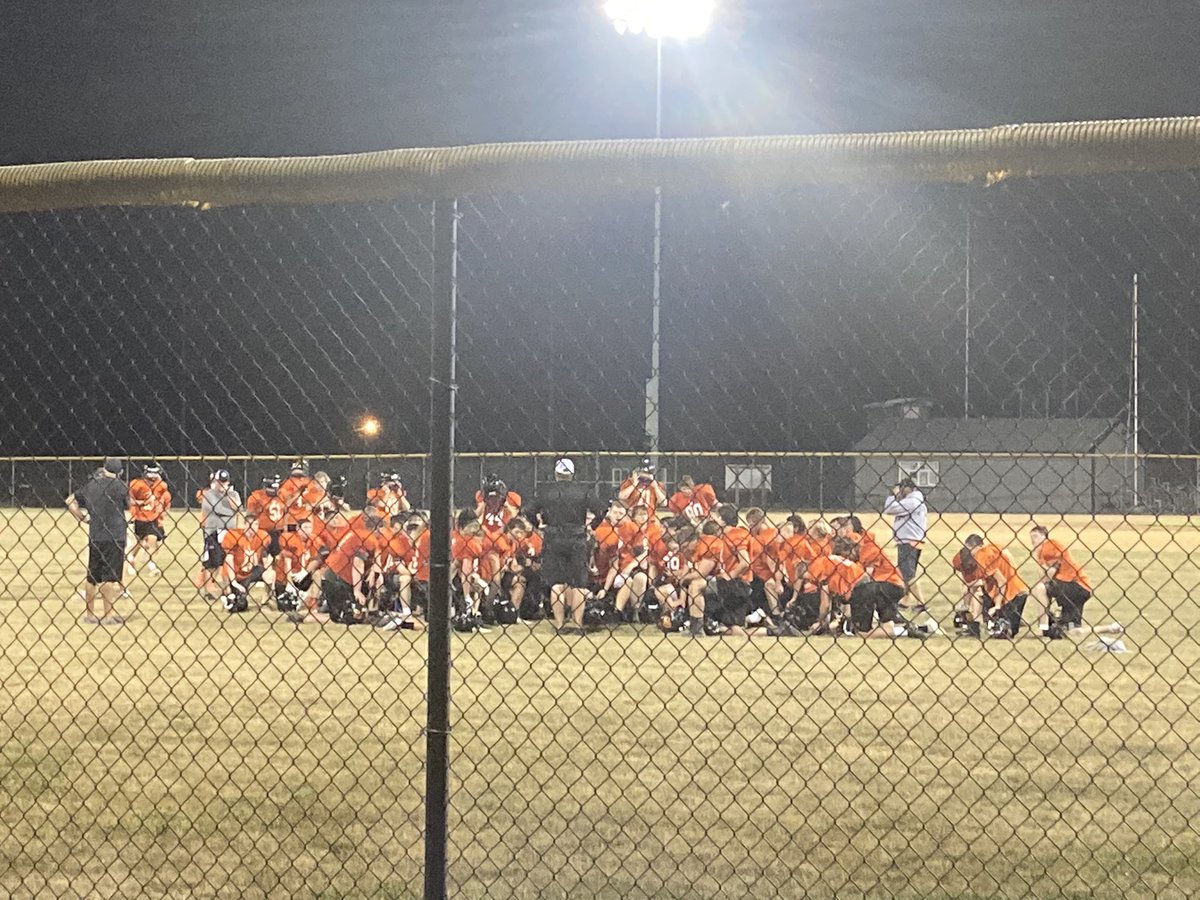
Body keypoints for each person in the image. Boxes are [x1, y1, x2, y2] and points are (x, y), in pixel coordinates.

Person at [525, 458, 600, 634]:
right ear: (572, 474)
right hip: (576, 537)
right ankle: (577, 623)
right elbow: (601, 510)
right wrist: (591, 526)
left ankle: (559, 624)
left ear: (556, 474)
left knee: (557, 583)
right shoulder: (583, 490)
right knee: (579, 584)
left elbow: (528, 510)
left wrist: (539, 525)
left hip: (553, 537)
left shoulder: (546, 491)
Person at [1028, 524, 1123, 639]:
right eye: (1031, 537)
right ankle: (1111, 628)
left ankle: (1043, 627)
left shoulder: (1050, 545)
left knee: (1039, 588)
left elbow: (1050, 574)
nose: (1033, 540)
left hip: (1075, 584)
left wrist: (1041, 563)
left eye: (1036, 536)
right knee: (1073, 631)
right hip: (1079, 590)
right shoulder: (1042, 552)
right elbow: (1045, 579)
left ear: (1045, 536)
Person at [65, 456, 129, 625]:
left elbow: (70, 501)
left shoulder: (92, 485)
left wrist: (82, 518)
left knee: (92, 577)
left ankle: (90, 614)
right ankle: (109, 615)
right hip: (115, 535)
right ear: (120, 472)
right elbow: (130, 504)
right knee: (110, 577)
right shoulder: (120, 486)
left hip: (96, 535)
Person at [883, 477, 928, 611]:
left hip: (909, 541)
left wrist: (894, 495)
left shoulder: (912, 502)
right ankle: (905, 600)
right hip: (911, 540)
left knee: (908, 574)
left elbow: (889, 509)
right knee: (905, 574)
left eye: (901, 489)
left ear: (906, 488)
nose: (900, 491)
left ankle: (921, 603)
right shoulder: (914, 501)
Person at [198, 469, 242, 602]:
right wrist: (228, 509)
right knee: (212, 563)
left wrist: (227, 496)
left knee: (228, 561)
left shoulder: (233, 494)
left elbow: (237, 508)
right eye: (219, 482)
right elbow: (213, 509)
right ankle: (208, 590)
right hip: (213, 531)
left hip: (229, 531)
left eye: (224, 482)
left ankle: (227, 589)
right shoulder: (209, 494)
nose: (221, 485)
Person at [127, 462, 171, 579]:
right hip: (139, 517)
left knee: (153, 541)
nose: (152, 481)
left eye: (154, 479)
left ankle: (151, 565)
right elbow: (130, 501)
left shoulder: (161, 486)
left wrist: (159, 509)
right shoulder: (136, 484)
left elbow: (160, 499)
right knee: (139, 542)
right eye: (149, 479)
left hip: (153, 518)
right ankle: (131, 558)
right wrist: (142, 503)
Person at [246, 474, 287, 559]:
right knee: (262, 556)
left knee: (278, 557)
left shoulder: (282, 495)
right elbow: (250, 516)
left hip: (279, 531)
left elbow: (287, 513)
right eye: (273, 489)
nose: (276, 491)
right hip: (263, 531)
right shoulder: (257, 496)